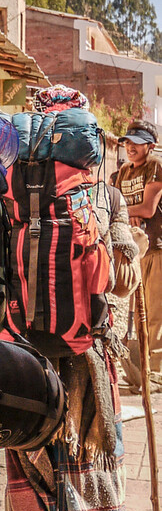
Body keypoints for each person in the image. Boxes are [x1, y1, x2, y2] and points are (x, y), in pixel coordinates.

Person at [5, 94, 141, 511]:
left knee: (26, 457)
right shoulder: (105, 193)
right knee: (92, 456)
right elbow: (123, 278)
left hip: (21, 344)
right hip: (88, 348)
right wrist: (130, 249)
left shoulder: (11, 190)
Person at [113, 120, 162, 382]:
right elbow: (119, 203)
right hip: (133, 250)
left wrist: (124, 212)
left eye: (137, 143)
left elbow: (147, 209)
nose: (130, 147)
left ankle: (156, 371)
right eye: (127, 142)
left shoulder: (155, 165)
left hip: (156, 247)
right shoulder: (123, 170)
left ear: (150, 146)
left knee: (154, 313)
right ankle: (137, 368)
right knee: (129, 311)